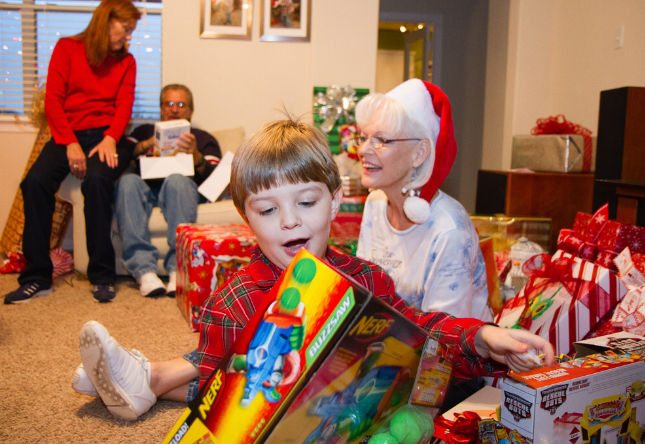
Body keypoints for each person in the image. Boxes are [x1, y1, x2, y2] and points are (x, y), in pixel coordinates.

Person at [73, 115, 554, 420]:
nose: (289, 221)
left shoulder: (366, 279)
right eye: (267, 210)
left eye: (305, 202)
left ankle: (142, 380)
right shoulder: (238, 294)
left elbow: (421, 330)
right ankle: (143, 380)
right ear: (246, 219)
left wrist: (484, 337)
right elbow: (219, 388)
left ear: (336, 201)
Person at [4, 0, 141, 304]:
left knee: (96, 182)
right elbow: (53, 100)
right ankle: (37, 276)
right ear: (108, 19)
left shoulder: (126, 62)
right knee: (35, 183)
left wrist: (109, 138)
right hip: (70, 134)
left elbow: (123, 106)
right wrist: (69, 142)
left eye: (132, 31)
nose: (128, 37)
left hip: (108, 135)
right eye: (126, 29)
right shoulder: (67, 48)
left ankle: (102, 275)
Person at [355, 79, 493, 321]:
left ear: (419, 153)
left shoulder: (449, 231)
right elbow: (365, 295)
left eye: (381, 140)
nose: (363, 150)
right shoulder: (375, 204)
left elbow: (447, 341)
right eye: (363, 137)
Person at [115, 84, 222, 298]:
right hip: (145, 191)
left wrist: (196, 156)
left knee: (176, 181)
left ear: (191, 111)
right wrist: (146, 145)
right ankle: (144, 272)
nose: (174, 110)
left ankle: (177, 270)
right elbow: (118, 159)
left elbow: (216, 182)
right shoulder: (143, 132)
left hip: (181, 193)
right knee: (127, 183)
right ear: (161, 109)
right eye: (169, 104)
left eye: (181, 105)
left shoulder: (202, 138)